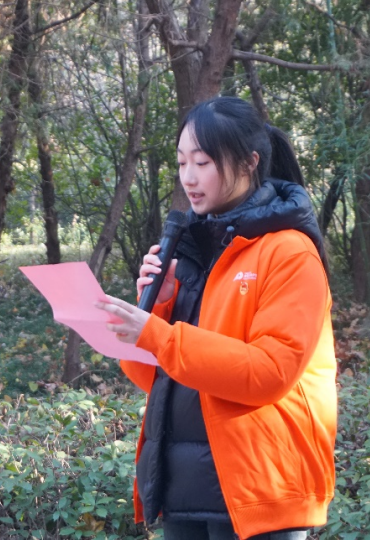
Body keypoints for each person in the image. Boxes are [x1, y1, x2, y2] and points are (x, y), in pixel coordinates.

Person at [96, 97, 337, 540]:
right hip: (186, 488)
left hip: (262, 486)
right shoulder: (193, 249)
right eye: (181, 162)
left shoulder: (290, 253)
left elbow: (269, 373)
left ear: (250, 162)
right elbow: (155, 379)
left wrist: (160, 335)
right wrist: (158, 307)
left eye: (203, 162)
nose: (188, 177)